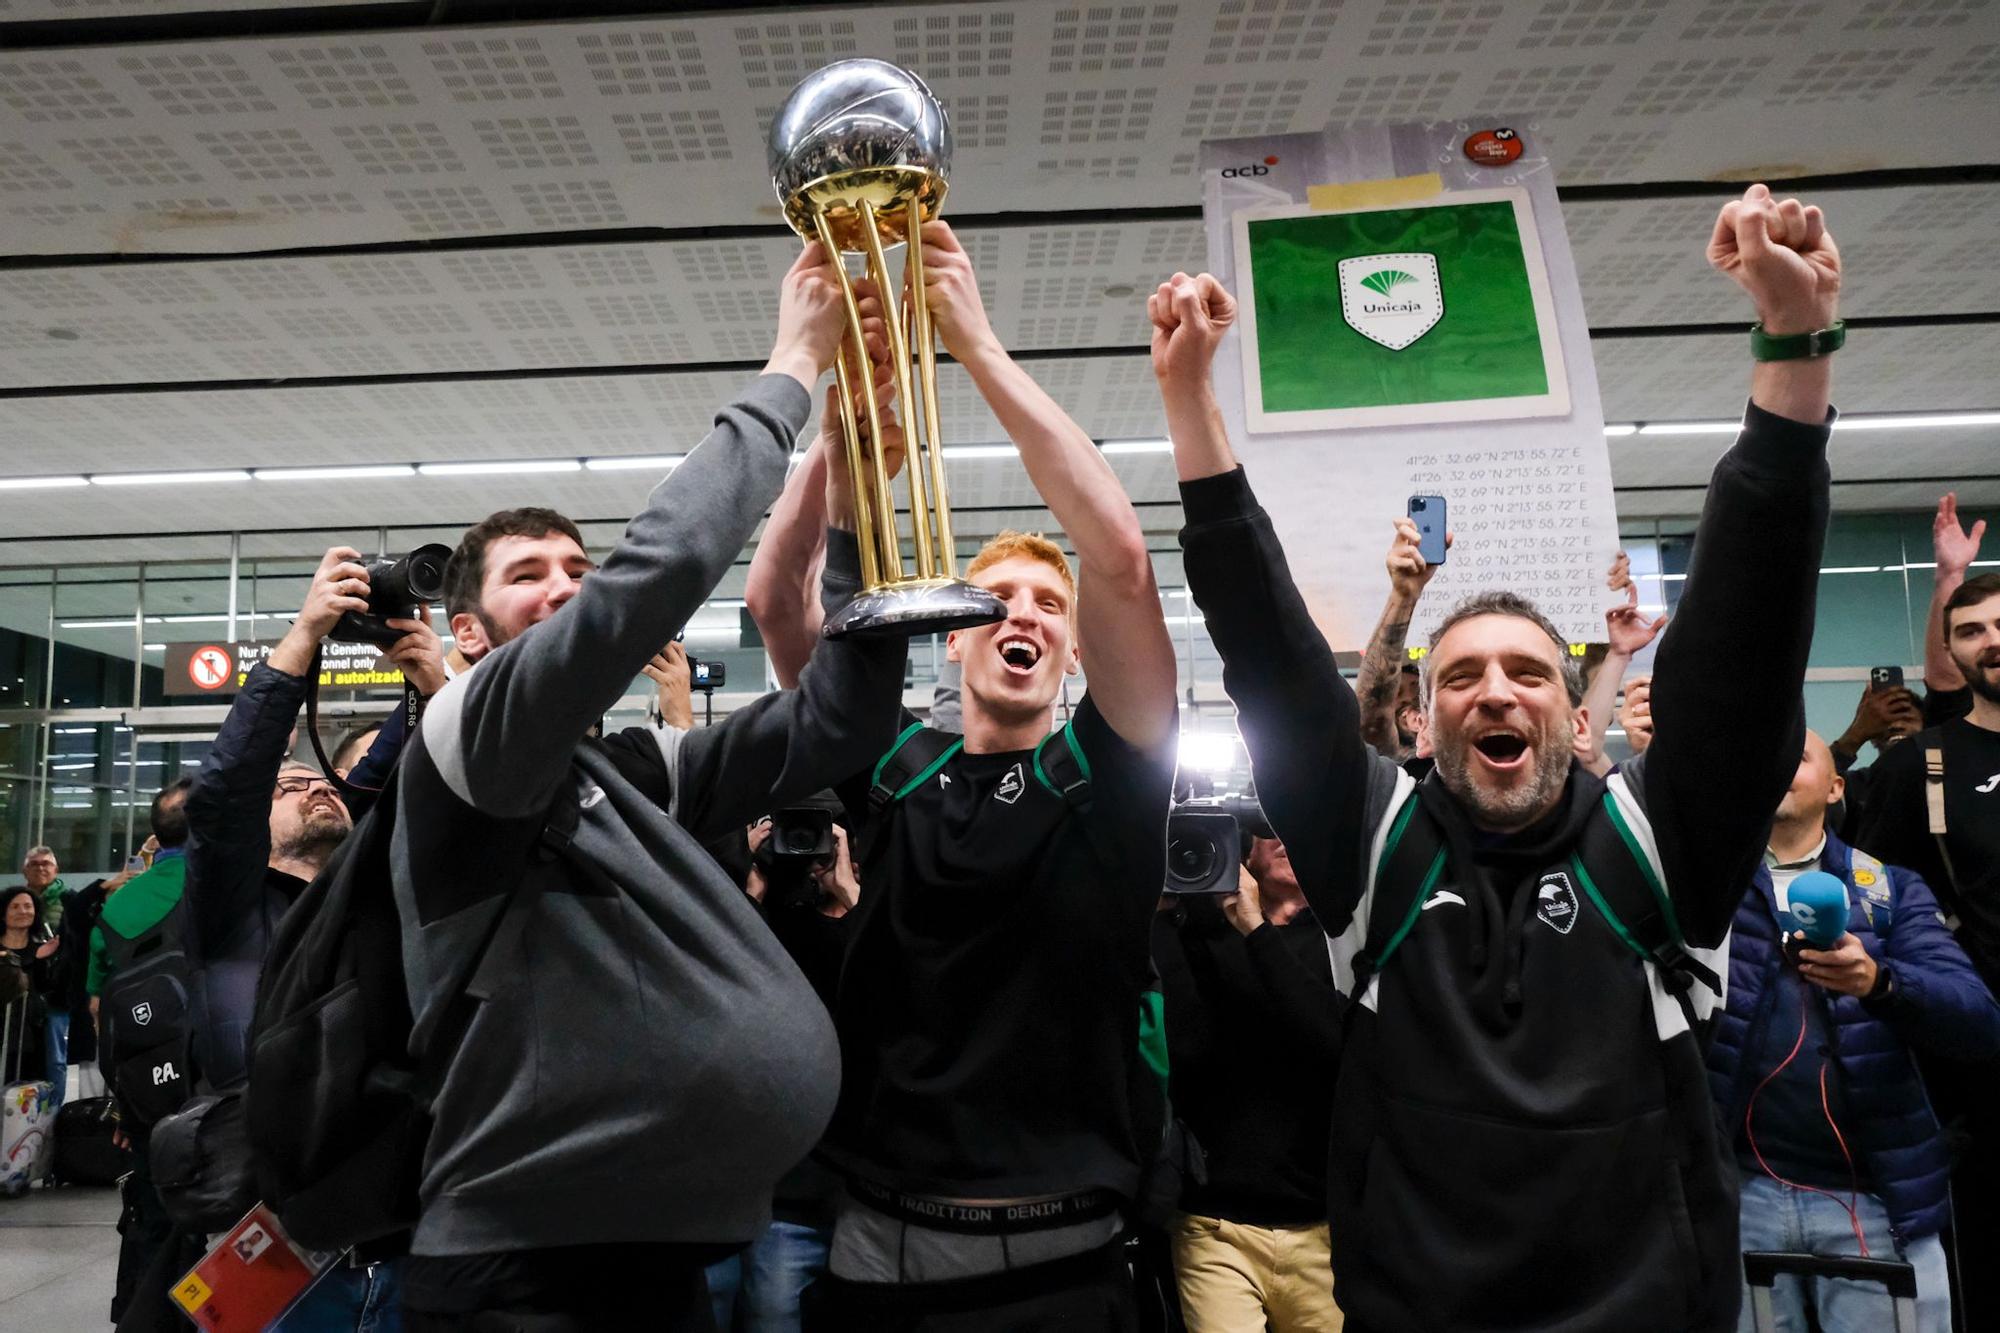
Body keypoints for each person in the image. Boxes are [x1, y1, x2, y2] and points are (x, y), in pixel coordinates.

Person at [1159, 181, 1841, 1332]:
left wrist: (1792, 343)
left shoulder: (1658, 847)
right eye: (1459, 673)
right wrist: (1188, 401)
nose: (1492, 689)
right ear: (1422, 717)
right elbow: (1269, 655)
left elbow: (1744, 645)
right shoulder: (1374, 847)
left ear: (1573, 713)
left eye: (1525, 670)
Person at [390, 242, 909, 1332]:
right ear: (467, 633)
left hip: (657, 1258)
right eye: (529, 576)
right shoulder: (465, 739)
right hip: (519, 1273)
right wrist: (794, 364)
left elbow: (840, 721)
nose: (565, 590)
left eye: (576, 571)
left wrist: (856, 513)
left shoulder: (628, 772)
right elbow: (650, 580)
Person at [750, 221, 1179, 1327]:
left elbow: (1120, 559)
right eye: (997, 600)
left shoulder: (1108, 776)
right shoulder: (892, 767)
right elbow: (776, 602)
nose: (1023, 614)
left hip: (1064, 1274)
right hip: (879, 1262)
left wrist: (974, 346)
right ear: (951, 635)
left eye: (1049, 605)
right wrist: (843, 444)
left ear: (1072, 650)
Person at [1708, 729, 2000, 1333]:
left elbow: (1978, 1023)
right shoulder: (1707, 891)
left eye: (1799, 756)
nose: (1778, 764)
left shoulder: (1890, 891)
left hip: (1877, 1201)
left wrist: (1880, 983)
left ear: (1836, 787)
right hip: (1740, 1196)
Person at [1851, 567, 2000, 1331]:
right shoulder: (1921, 764)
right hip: (1978, 1065)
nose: (1992, 640)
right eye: (1971, 630)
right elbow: (1878, 894)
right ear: (1951, 651)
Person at [1153, 836, 1344, 1332]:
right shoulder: (1201, 937)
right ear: (1243, 850)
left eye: (1293, 824)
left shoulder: (1340, 941)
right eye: (1267, 826)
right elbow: (1181, 1050)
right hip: (1215, 1225)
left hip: (1322, 1227)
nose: (1283, 837)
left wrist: (1256, 929)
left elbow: (1333, 1046)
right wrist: (1163, 915)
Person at [83, 782, 192, 1330]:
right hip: (225, 1087)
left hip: (151, 1094)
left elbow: (100, 1009)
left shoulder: (119, 903)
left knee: (153, 1218)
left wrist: (126, 1104)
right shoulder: (235, 883)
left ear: (157, 834)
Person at [1353, 518, 1450, 763]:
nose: (1408, 699)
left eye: (1417, 689)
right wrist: (1403, 596)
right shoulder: (1389, 774)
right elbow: (1372, 720)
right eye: (1397, 692)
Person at [15, 845, 69, 1110]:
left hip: (56, 991)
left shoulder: (69, 901)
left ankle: (52, 1113)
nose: (40, 868)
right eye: (34, 864)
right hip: (21, 989)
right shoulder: (15, 901)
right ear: (24, 870)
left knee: (55, 1058)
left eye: (45, 863)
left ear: (56, 869)